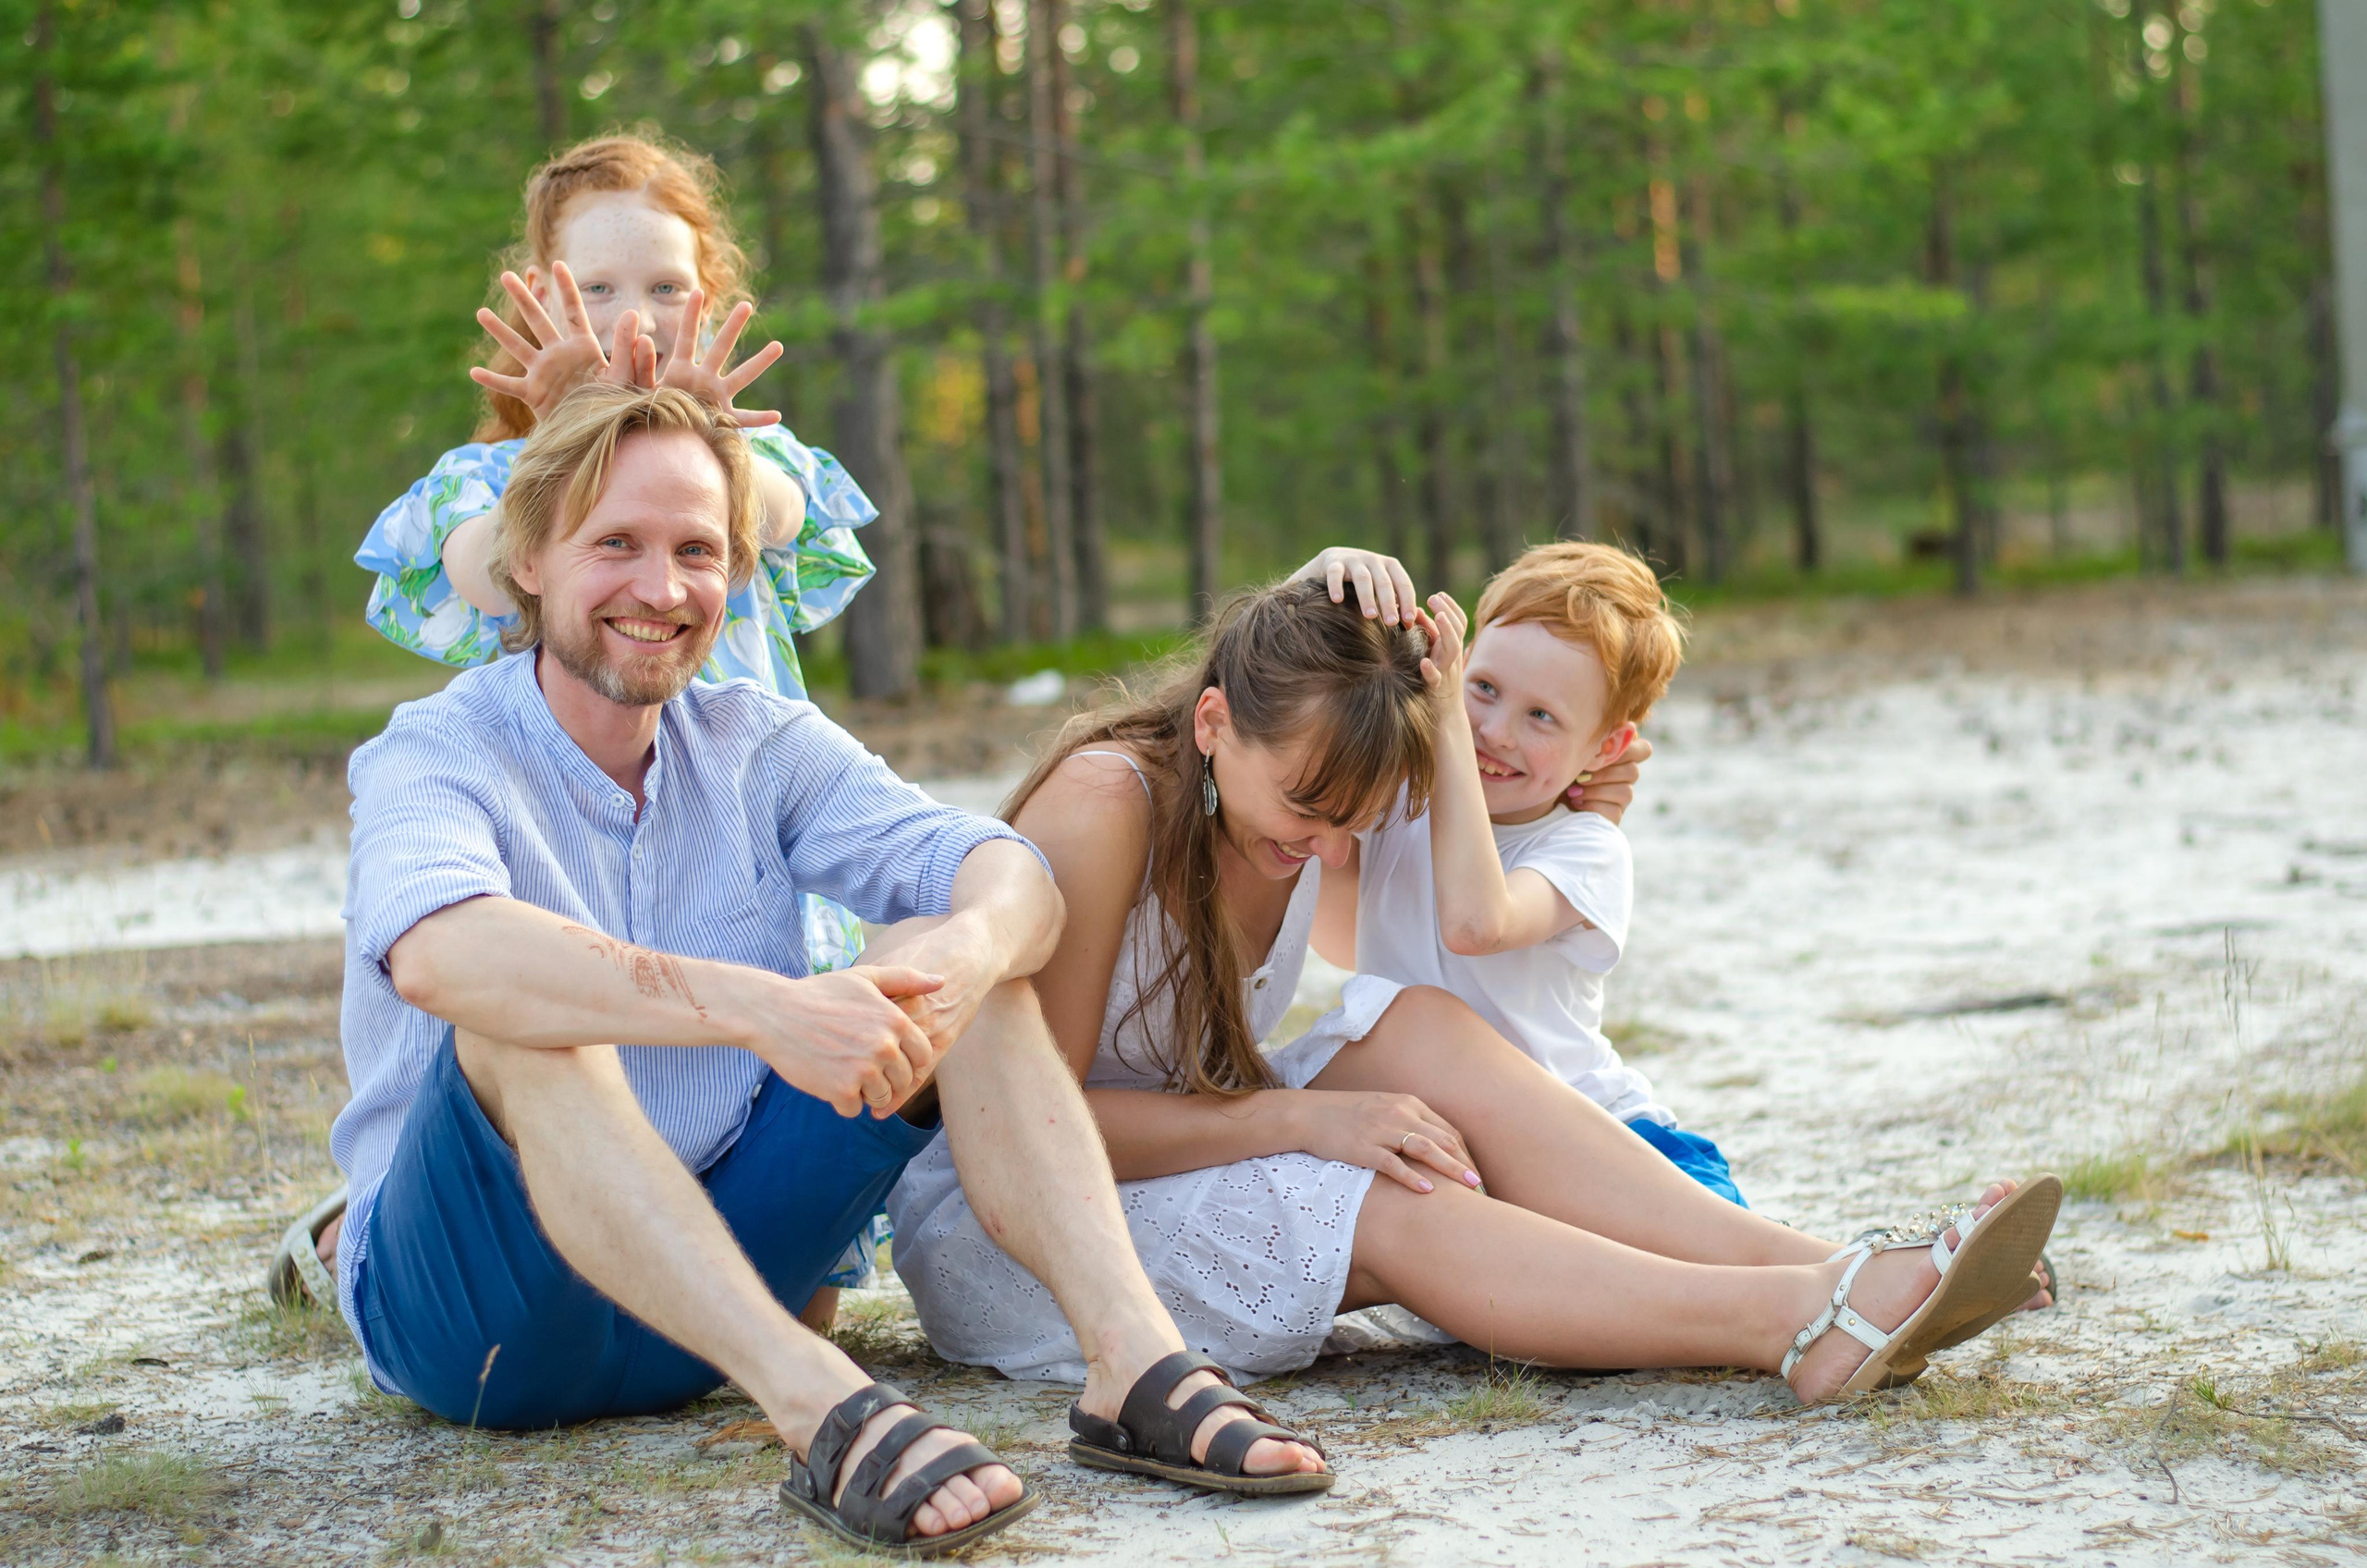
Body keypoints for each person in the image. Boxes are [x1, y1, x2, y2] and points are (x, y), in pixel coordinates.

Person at [329, 384, 1334, 1554]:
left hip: (711, 1291)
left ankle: (1133, 1368)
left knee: (959, 957)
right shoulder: (438, 748)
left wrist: (964, 952)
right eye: (617, 544)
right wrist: (763, 1010)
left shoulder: (756, 739)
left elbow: (1004, 870)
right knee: (518, 1015)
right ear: (529, 560)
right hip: (484, 1325)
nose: (661, 590)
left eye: (696, 551)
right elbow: (444, 955)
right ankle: (819, 1409)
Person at [889, 549, 2061, 1406]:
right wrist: (1309, 1118)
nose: (1327, 849)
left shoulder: (1307, 784)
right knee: (1384, 1177)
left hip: (1181, 1144)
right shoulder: (1106, 805)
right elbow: (1040, 1127)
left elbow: (1409, 770)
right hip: (1028, 1232)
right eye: (1304, 814)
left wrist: (1569, 787)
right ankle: (1791, 1322)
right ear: (1209, 722)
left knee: (1418, 1022)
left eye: (1348, 820)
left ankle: (1837, 1268)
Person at [303, 132, 888, 1313]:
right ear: (530, 304)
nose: (639, 316)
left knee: (795, 1258)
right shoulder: (490, 480)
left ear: (710, 302)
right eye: (598, 287)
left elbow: (778, 519)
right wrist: (565, 438)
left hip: (736, 842)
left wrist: (699, 437)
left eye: (669, 288)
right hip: (584, 867)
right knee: (595, 1085)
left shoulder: (741, 456)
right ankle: (356, 1244)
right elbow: (471, 572)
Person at [1316, 541, 1745, 1204]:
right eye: (1483, 688)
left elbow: (1476, 924)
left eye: (1541, 715)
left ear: (1605, 749)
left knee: (1720, 1259)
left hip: (1605, 1137)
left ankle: (1880, 1273)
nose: (1496, 731)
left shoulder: (1585, 848)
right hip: (1457, 1154)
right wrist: (1322, 577)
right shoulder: (1396, 801)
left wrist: (1450, 720)